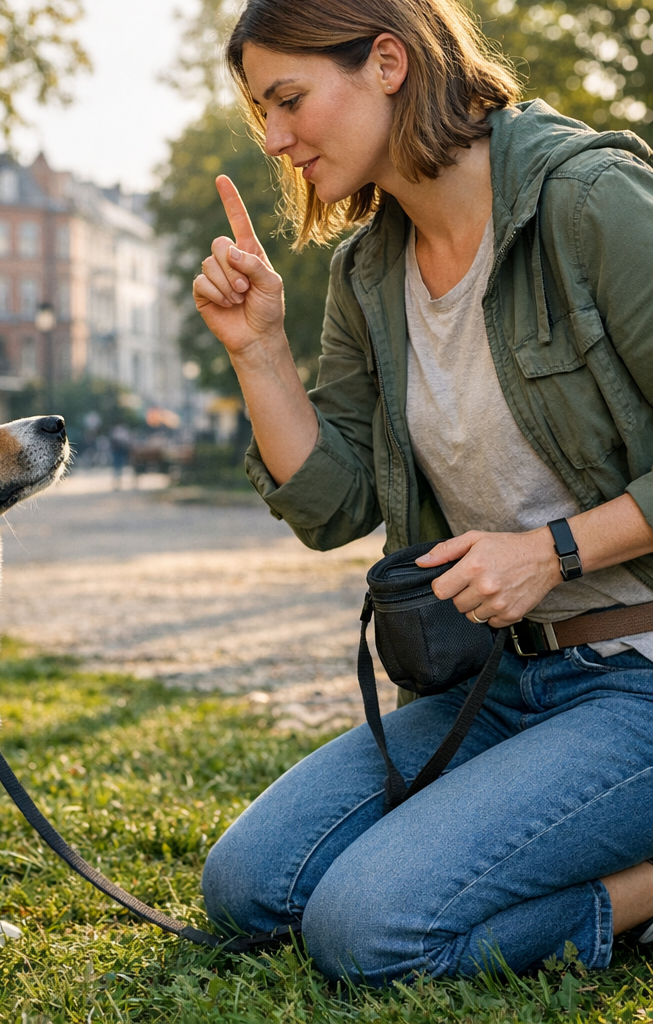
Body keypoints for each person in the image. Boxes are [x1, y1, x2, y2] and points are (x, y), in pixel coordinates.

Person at [193, 0, 653, 987]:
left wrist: (553, 550)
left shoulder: (591, 201)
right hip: (490, 686)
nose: (274, 138)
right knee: (246, 887)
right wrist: (259, 353)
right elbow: (333, 506)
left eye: (287, 100)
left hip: (639, 674)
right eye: (259, 113)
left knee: (368, 929)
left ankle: (639, 892)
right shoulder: (369, 270)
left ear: (388, 60)